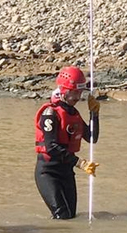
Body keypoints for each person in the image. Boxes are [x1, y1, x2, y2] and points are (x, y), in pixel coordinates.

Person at [34, 66, 99, 219]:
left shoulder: (73, 114)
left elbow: (91, 137)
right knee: (61, 215)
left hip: (67, 172)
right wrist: (80, 163)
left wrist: (94, 114)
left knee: (71, 216)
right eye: (74, 92)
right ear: (64, 90)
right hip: (48, 172)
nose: (78, 96)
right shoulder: (50, 113)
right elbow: (51, 148)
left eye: (81, 92)